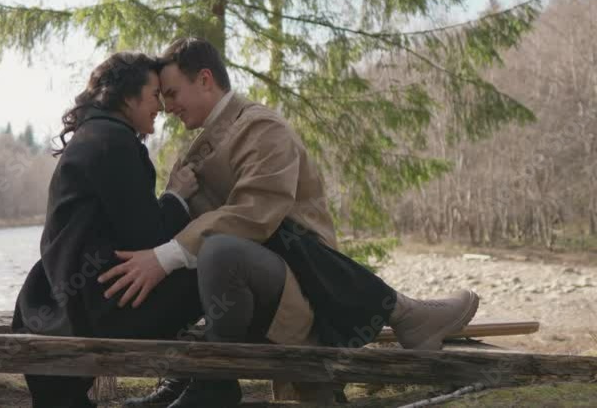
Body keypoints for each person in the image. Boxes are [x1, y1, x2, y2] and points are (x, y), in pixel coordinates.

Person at [101, 37, 481, 408]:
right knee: (206, 251)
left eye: (172, 93)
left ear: (204, 79)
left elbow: (254, 215)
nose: (167, 107)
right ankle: (196, 375)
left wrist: (165, 257)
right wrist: (172, 200)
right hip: (252, 291)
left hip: (309, 289)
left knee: (218, 249)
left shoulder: (262, 129)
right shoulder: (201, 147)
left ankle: (213, 382)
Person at [11, 52, 206, 408]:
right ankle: (203, 384)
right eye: (154, 95)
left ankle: (187, 380)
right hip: (98, 310)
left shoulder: (94, 134)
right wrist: (177, 195)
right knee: (215, 270)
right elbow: (149, 239)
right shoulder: (115, 143)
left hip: (59, 300)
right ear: (128, 97)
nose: (160, 106)